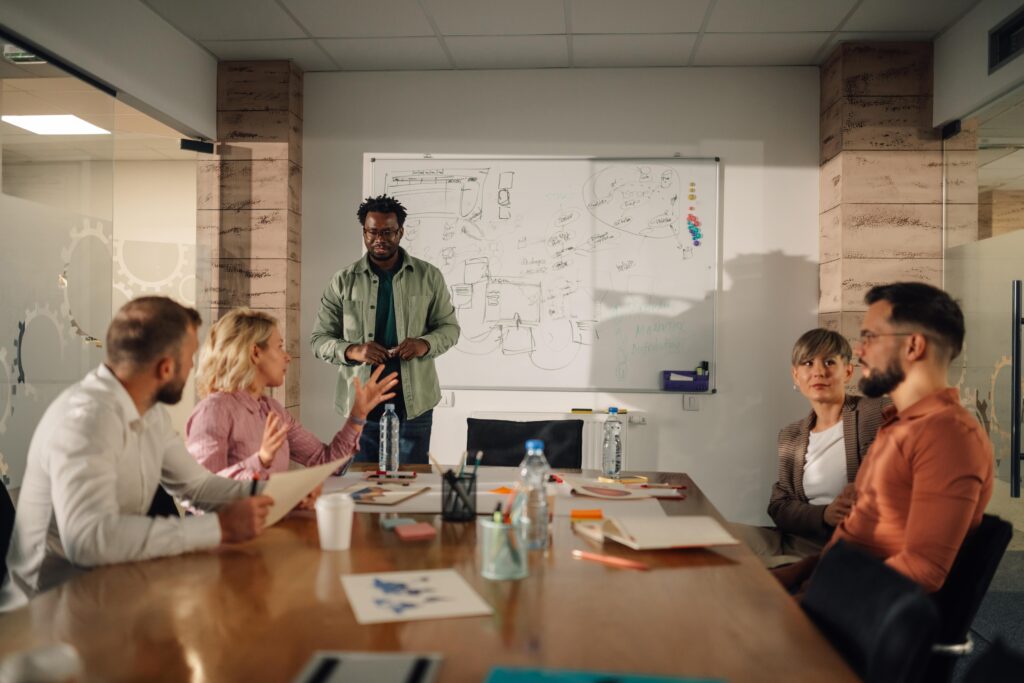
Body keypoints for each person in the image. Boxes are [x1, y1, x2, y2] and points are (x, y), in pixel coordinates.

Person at [1, 297, 273, 609]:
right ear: (166, 367)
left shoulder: (150, 413)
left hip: (110, 593)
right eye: (190, 358)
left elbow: (197, 486)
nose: (193, 369)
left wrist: (273, 493)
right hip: (47, 614)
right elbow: (89, 540)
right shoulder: (87, 419)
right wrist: (219, 528)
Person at [775, 282, 994, 594]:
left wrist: (807, 602)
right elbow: (855, 538)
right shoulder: (898, 426)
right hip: (826, 594)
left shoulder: (948, 436)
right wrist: (792, 575)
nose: (860, 353)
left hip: (852, 622)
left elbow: (923, 569)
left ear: (913, 346)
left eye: (870, 338)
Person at [311, 194, 460, 465]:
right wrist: (354, 350)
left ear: (400, 232)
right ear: (364, 232)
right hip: (360, 404)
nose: (380, 239)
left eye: (388, 232)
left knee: (411, 480)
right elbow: (318, 340)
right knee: (360, 483)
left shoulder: (429, 276)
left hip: (415, 403)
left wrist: (424, 344)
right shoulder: (343, 280)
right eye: (373, 232)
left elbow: (450, 328)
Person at [186, 308, 398, 497]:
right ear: (255, 352)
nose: (287, 357)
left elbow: (326, 463)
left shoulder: (272, 409)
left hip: (267, 528)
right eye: (279, 347)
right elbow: (200, 493)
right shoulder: (214, 411)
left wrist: (358, 415)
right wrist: (261, 460)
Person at [731, 329, 887, 567]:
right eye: (808, 363)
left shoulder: (874, 413)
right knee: (710, 537)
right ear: (796, 375)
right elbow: (779, 506)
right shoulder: (790, 435)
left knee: (744, 568)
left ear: (847, 371)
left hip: (845, 547)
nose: (818, 372)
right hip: (792, 539)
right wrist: (824, 514)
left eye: (829, 362)